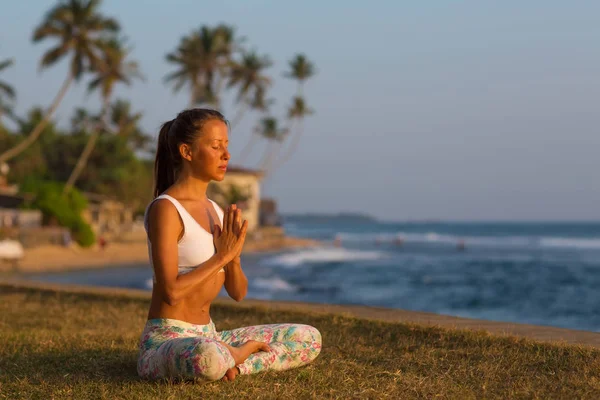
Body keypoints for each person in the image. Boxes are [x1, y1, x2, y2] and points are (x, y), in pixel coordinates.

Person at [137, 109, 321, 382]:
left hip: (208, 334)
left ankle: (237, 365)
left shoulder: (216, 210)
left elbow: (238, 292)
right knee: (207, 357)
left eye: (226, 146)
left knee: (309, 337)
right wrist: (221, 257)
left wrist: (233, 257)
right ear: (187, 151)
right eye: (216, 146)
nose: (226, 155)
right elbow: (171, 292)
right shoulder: (166, 209)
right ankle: (236, 355)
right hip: (168, 340)